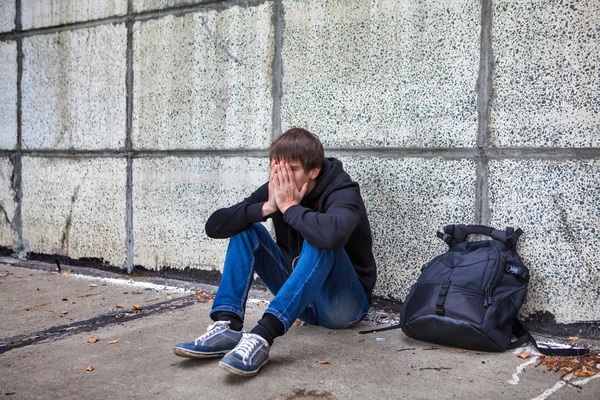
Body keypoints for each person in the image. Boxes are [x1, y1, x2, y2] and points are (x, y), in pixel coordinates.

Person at [173, 128, 377, 376]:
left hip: (343, 308)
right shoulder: (276, 188)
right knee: (245, 230)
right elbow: (214, 226)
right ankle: (227, 325)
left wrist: (290, 208)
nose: (283, 177)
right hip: (303, 305)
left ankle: (263, 335)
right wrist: (266, 207)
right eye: (277, 168)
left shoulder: (343, 190)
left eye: (292, 169)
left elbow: (332, 235)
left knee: (320, 238)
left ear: (314, 171)